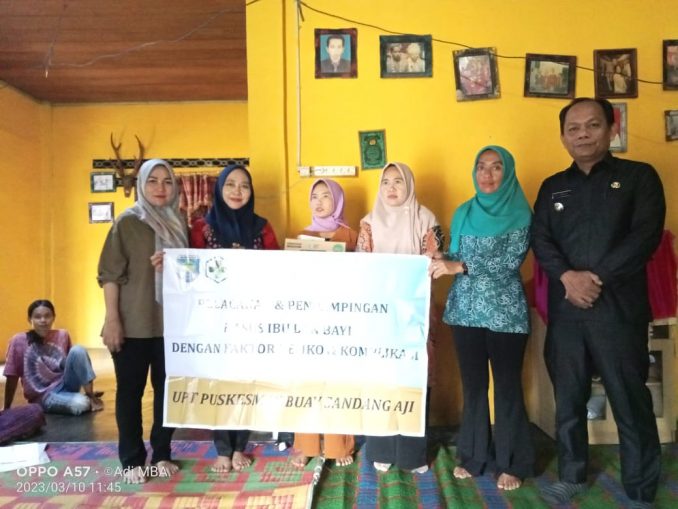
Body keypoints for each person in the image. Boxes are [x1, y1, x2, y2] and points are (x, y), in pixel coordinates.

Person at [531, 97, 665, 508]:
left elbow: (645, 236)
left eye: (592, 125)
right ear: (563, 137)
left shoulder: (639, 177)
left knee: (629, 398)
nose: (583, 134)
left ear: (612, 129)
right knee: (568, 398)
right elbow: (541, 238)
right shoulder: (553, 186)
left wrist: (596, 278)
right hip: (567, 311)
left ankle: (640, 486)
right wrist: (569, 278)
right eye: (573, 129)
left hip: (618, 311)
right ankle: (571, 475)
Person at [429, 146, 535, 491]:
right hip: (465, 311)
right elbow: (456, 256)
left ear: (508, 172)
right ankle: (473, 456)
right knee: (474, 387)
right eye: (481, 167)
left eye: (496, 167)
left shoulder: (520, 212)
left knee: (507, 387)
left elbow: (509, 264)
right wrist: (440, 257)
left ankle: (511, 462)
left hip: (505, 314)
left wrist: (457, 266)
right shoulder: (463, 212)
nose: (487, 174)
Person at [98, 158, 188, 484]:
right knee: (130, 393)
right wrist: (112, 320)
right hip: (133, 323)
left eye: (167, 181)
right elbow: (110, 276)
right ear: (141, 185)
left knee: (168, 392)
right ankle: (132, 458)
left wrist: (175, 264)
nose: (160, 188)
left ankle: (162, 453)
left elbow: (192, 272)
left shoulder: (180, 223)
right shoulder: (127, 222)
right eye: (153, 180)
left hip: (171, 326)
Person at [190, 164, 279, 473]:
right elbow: (191, 270)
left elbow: (277, 269)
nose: (237, 191)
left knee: (245, 382)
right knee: (218, 383)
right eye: (230, 184)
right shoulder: (202, 228)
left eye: (244, 186)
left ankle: (240, 445)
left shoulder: (262, 228)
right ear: (219, 189)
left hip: (251, 318)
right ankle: (222, 449)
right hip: (213, 320)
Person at [356, 162, 443, 474]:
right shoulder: (368, 223)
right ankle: (381, 448)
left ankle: (412, 453)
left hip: (416, 310)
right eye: (386, 182)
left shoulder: (426, 219)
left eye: (398, 182)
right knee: (381, 377)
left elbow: (435, 260)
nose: (391, 188)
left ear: (409, 185)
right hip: (379, 314)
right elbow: (362, 267)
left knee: (414, 377)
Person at [290, 178, 357, 469]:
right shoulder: (301, 237)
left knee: (339, 382)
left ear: (338, 201)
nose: (319, 202)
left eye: (326, 196)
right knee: (306, 381)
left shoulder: (351, 236)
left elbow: (364, 274)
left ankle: (338, 445)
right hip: (308, 318)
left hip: (341, 317)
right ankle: (305, 445)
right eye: (314, 196)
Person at [4, 299, 104, 416]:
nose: (43, 320)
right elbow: (12, 376)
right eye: (37, 317)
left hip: (66, 384)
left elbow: (73, 364)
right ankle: (79, 399)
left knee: (78, 350)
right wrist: (6, 407)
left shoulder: (63, 335)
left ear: (53, 318)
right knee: (81, 404)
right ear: (30, 319)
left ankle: (90, 396)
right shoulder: (18, 341)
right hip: (44, 396)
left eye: (47, 316)